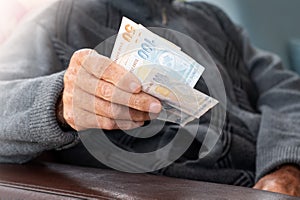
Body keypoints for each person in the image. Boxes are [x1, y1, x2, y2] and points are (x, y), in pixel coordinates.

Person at [0, 0, 299, 196]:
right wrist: (61, 102)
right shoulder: (59, 19)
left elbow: (285, 89)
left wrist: (285, 166)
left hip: (271, 176)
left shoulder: (213, 17)